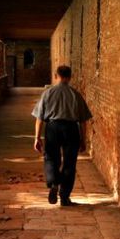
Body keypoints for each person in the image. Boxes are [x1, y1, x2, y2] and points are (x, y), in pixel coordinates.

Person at [32, 65, 92, 206]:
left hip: (53, 127)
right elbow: (83, 121)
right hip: (71, 129)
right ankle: (64, 197)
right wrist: (83, 139)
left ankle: (53, 183)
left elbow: (39, 118)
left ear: (55, 76)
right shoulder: (75, 94)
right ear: (70, 77)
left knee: (51, 157)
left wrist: (37, 138)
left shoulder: (48, 93)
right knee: (69, 163)